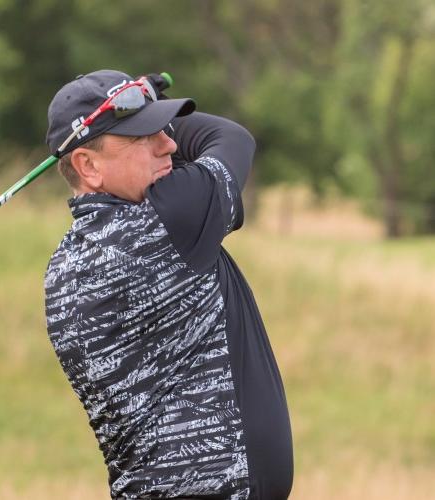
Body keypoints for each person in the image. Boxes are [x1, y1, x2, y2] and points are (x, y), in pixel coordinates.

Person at [43, 69, 293, 499]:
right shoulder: (164, 221)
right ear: (88, 165)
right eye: (143, 137)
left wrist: (141, 109)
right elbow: (231, 138)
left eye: (164, 129)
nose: (169, 144)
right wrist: (157, 108)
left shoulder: (66, 262)